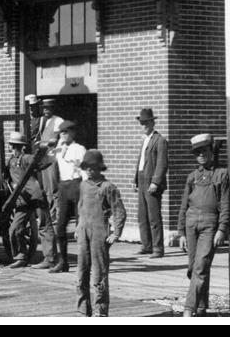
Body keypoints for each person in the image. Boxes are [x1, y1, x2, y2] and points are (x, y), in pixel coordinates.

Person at [177, 134, 230, 318]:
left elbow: (225, 204)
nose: (201, 155)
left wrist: (222, 229)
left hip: (210, 225)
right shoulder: (192, 177)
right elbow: (184, 205)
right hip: (191, 224)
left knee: (201, 266)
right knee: (194, 268)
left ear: (211, 152)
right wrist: (181, 232)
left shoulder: (221, 174)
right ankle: (200, 308)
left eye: (204, 151)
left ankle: (188, 308)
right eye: (197, 153)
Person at [74, 149, 126, 317]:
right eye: (86, 166)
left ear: (99, 167)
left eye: (93, 166)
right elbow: (80, 207)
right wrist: (77, 227)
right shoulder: (83, 185)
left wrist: (116, 233)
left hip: (99, 233)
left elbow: (119, 211)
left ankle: (100, 312)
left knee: (99, 275)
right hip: (83, 232)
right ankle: (83, 311)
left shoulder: (107, 187)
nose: (89, 170)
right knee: (81, 273)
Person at [49, 119, 87, 273]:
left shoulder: (79, 149)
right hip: (64, 187)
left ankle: (84, 262)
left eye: (65, 132)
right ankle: (63, 261)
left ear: (72, 132)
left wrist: (86, 190)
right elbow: (49, 159)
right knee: (60, 226)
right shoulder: (59, 149)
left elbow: (84, 171)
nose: (63, 135)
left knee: (81, 226)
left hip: (77, 186)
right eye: (61, 133)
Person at [4, 131, 45, 267]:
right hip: (20, 200)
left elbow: (39, 162)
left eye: (15, 146)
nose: (13, 148)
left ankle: (49, 258)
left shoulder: (26, 158)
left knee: (45, 227)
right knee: (14, 229)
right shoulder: (10, 161)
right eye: (13, 146)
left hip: (32, 198)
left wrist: (42, 151)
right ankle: (21, 256)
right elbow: (7, 178)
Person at [134, 107, 168, 258]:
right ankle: (146, 245)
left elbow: (162, 163)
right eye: (142, 123)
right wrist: (136, 180)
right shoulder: (145, 140)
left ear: (153, 123)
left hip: (151, 180)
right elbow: (140, 162)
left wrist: (155, 182)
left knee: (154, 216)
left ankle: (158, 248)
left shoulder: (160, 140)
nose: (144, 125)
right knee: (142, 216)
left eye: (147, 123)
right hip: (141, 179)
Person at [30, 135, 60, 270]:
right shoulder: (25, 159)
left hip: (39, 195)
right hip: (30, 195)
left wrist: (47, 149)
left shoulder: (49, 159)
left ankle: (50, 258)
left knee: (45, 225)